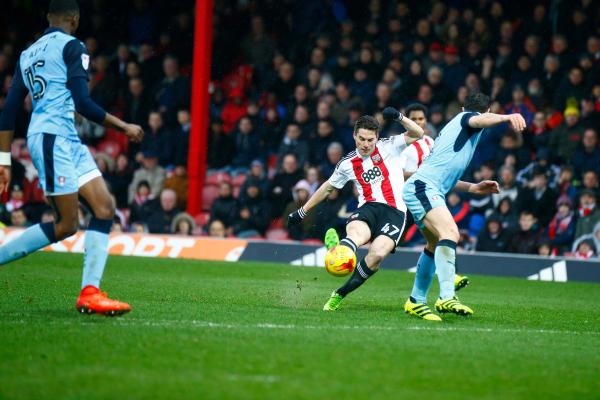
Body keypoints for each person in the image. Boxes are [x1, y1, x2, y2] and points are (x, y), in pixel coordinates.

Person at [0, 0, 144, 316]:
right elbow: (83, 103)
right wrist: (124, 127)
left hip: (61, 136)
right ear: (74, 20)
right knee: (67, 225)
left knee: (104, 208)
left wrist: (4, 161)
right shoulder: (72, 46)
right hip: (52, 138)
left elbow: (9, 110)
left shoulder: (28, 54)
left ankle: (90, 292)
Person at [403, 93, 526, 320]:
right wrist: (508, 116)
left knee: (433, 243)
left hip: (426, 187)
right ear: (486, 112)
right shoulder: (466, 119)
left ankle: (416, 300)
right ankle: (446, 296)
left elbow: (444, 175)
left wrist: (474, 187)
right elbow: (477, 120)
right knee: (450, 233)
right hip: (422, 187)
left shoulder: (455, 132)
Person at [287, 113, 425, 311]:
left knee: (377, 255)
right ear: (354, 136)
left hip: (395, 212)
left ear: (377, 137)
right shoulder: (347, 163)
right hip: (368, 208)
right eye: (361, 139)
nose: (366, 144)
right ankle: (341, 249)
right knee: (355, 235)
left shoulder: (390, 145)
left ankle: (340, 293)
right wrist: (302, 211)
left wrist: (399, 116)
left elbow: (418, 133)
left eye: (370, 140)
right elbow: (327, 187)